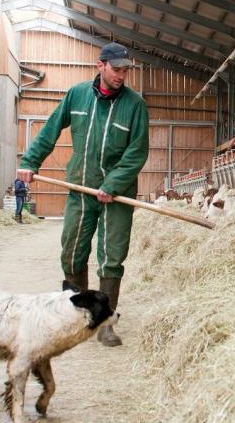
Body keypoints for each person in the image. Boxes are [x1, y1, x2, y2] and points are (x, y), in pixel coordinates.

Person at [17, 42, 149, 347]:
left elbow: (137, 151)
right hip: (80, 187)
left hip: (117, 193)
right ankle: (78, 317)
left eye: (126, 70)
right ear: (100, 65)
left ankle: (104, 321)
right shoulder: (76, 95)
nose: (121, 76)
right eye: (116, 69)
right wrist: (29, 162)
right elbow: (51, 130)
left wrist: (113, 183)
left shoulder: (134, 105)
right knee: (72, 249)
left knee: (112, 256)